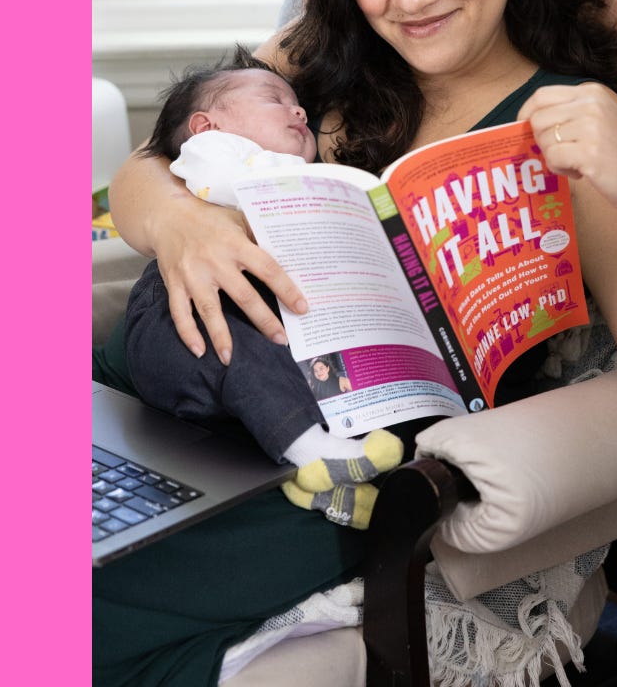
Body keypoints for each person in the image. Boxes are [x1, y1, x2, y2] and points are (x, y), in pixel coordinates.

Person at [94, 0, 617, 686]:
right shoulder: (322, 57)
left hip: (335, 478)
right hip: (182, 402)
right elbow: (140, 172)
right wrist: (182, 222)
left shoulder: (565, 127)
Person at [115, 49, 403, 530]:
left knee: (301, 364)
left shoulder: (281, 166)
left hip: (240, 363)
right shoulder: (213, 154)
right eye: (275, 100)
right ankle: (311, 450)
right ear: (208, 125)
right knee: (242, 352)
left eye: (299, 107)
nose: (299, 111)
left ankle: (315, 483)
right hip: (177, 326)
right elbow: (219, 182)